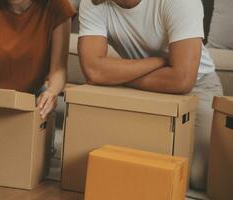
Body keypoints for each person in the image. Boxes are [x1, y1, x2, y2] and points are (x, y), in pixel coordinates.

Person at [78, 0, 223, 191]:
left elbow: (182, 79)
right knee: (127, 167)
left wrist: (115, 76)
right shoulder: (93, 2)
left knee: (199, 175)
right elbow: (93, 71)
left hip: (198, 87)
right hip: (141, 88)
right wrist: (157, 62)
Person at [0, 0, 76, 120]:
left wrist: (52, 92)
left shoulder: (57, 6)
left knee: (43, 114)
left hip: (32, 95)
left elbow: (58, 69)